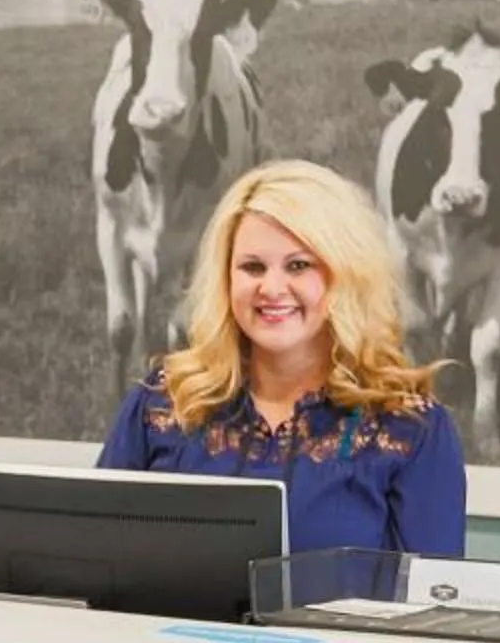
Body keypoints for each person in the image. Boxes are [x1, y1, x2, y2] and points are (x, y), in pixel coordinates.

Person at [98, 161, 467, 556]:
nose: (272, 288)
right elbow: (95, 563)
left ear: (345, 273)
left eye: (299, 266)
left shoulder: (413, 429)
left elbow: (431, 604)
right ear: (226, 279)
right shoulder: (158, 404)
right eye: (252, 267)